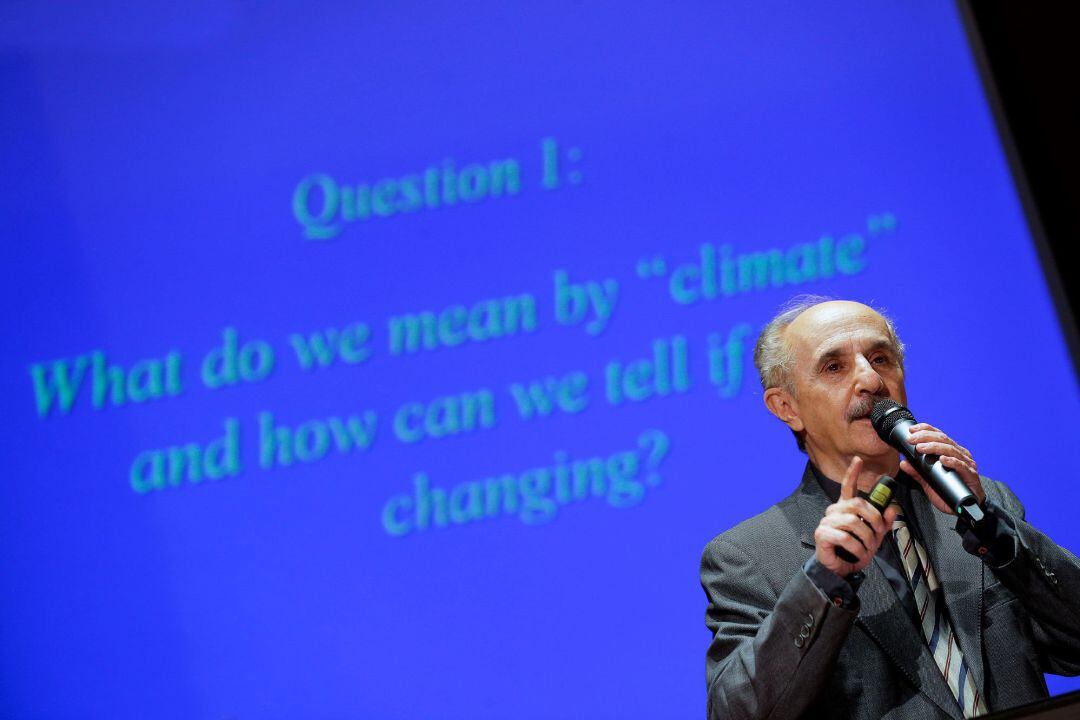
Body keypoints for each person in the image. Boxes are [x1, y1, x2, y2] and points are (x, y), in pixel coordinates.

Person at [699, 297, 1080, 720]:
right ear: (786, 407)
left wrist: (991, 526)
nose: (870, 380)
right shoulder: (749, 557)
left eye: (881, 359)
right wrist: (824, 581)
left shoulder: (979, 505)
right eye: (834, 367)